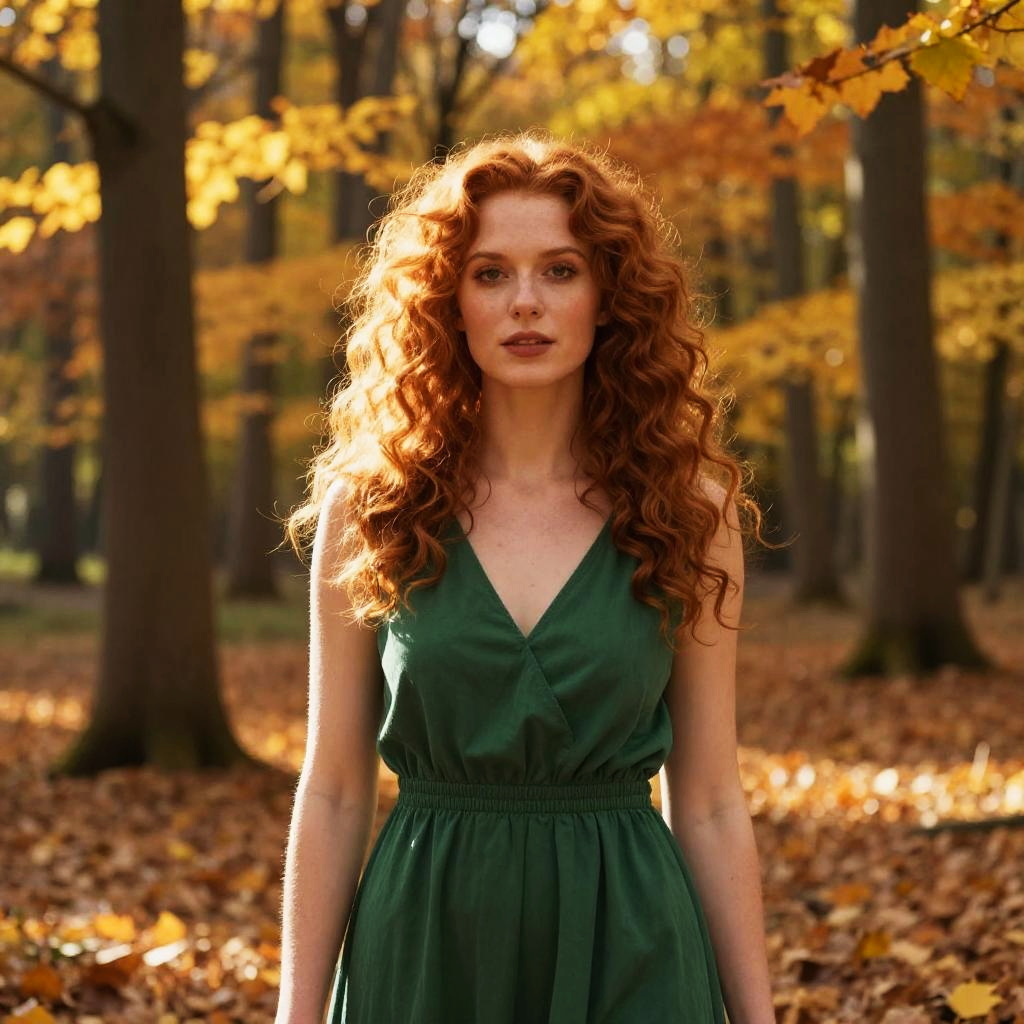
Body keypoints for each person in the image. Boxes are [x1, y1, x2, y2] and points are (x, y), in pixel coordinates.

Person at [275, 129, 777, 1024]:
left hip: (632, 940)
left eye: (561, 270)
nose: (526, 305)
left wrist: (758, 1016)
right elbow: (336, 787)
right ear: (448, 301)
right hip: (427, 941)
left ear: (608, 296)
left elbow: (705, 799)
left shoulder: (688, 513)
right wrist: (295, 1015)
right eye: (491, 273)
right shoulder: (375, 506)